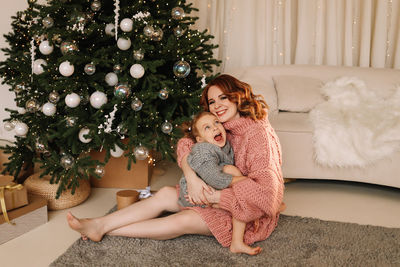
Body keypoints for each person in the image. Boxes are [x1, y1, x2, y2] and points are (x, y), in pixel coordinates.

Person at [66, 74, 284, 255]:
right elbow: (186, 142)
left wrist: (218, 198)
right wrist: (191, 177)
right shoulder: (223, 125)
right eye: (212, 102)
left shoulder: (258, 136)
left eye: (223, 98)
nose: (217, 107)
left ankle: (107, 230)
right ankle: (99, 225)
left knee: (184, 220)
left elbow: (267, 197)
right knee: (165, 195)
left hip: (245, 212)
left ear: (238, 96)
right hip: (215, 190)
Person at [178, 111, 261, 255]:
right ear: (200, 139)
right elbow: (214, 178)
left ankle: (247, 214)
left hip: (209, 188)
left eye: (216, 122)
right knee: (236, 182)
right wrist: (247, 181)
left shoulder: (223, 146)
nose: (215, 128)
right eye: (207, 128)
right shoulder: (203, 149)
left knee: (236, 184)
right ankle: (237, 240)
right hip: (196, 193)